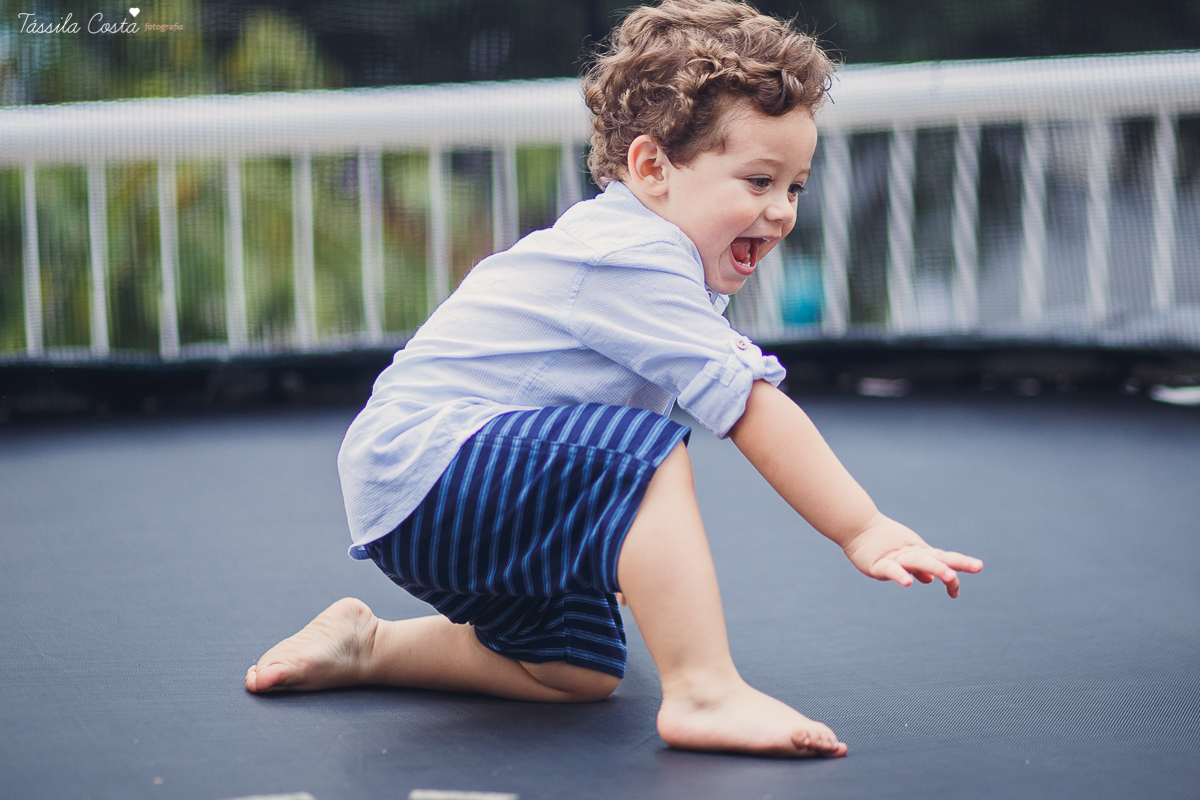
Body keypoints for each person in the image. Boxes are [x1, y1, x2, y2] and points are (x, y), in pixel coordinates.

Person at [245, 0, 982, 758]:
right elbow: (751, 407)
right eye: (759, 180)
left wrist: (617, 540)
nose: (782, 211)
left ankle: (371, 645)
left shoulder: (648, 259)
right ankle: (704, 692)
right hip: (432, 467)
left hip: (416, 498)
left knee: (576, 668)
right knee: (645, 454)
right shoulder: (633, 256)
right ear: (652, 167)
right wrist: (863, 528)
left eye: (794, 187)